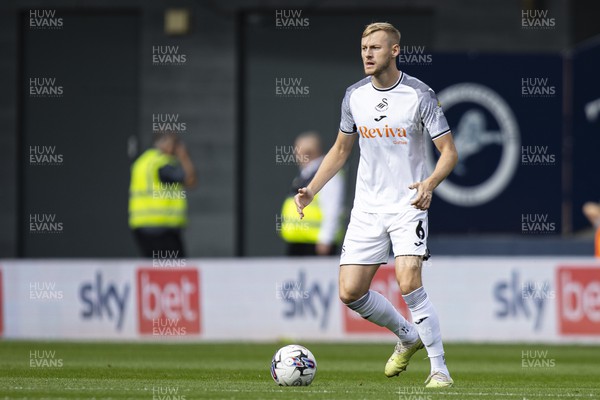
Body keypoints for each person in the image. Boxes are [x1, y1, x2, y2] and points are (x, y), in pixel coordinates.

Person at [294, 22, 458, 388]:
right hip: (367, 208)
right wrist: (312, 189)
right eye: (364, 47)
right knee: (350, 291)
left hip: (408, 203)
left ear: (395, 51)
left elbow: (449, 152)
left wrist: (430, 183)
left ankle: (439, 369)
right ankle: (407, 335)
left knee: (408, 281)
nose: (367, 54)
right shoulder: (354, 96)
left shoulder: (419, 95)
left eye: (376, 48)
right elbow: (340, 150)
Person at [128, 132, 197, 258]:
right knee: (174, 269)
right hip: (163, 228)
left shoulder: (142, 162)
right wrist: (184, 156)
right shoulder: (163, 164)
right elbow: (190, 180)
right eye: (174, 143)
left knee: (154, 267)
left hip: (141, 227)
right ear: (164, 144)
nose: (175, 148)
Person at [280, 131, 345, 256]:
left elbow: (333, 208)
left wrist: (326, 239)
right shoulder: (305, 173)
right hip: (299, 240)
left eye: (297, 150)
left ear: (308, 152)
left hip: (317, 243)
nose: (295, 154)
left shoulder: (326, 172)